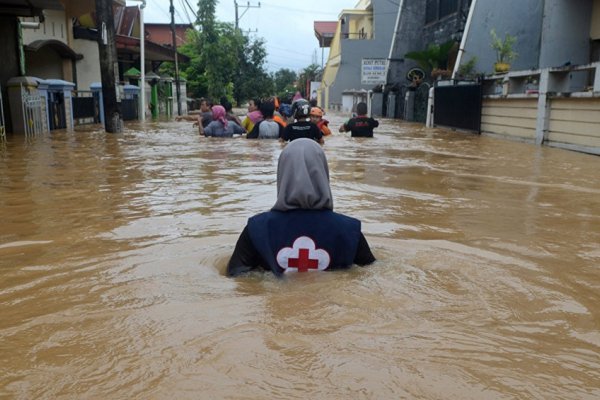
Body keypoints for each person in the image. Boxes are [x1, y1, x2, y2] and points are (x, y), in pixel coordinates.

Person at [227, 138, 376, 276]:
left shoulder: (257, 228)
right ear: (323, 173)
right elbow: (372, 273)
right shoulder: (349, 229)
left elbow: (236, 276)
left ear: (282, 173)